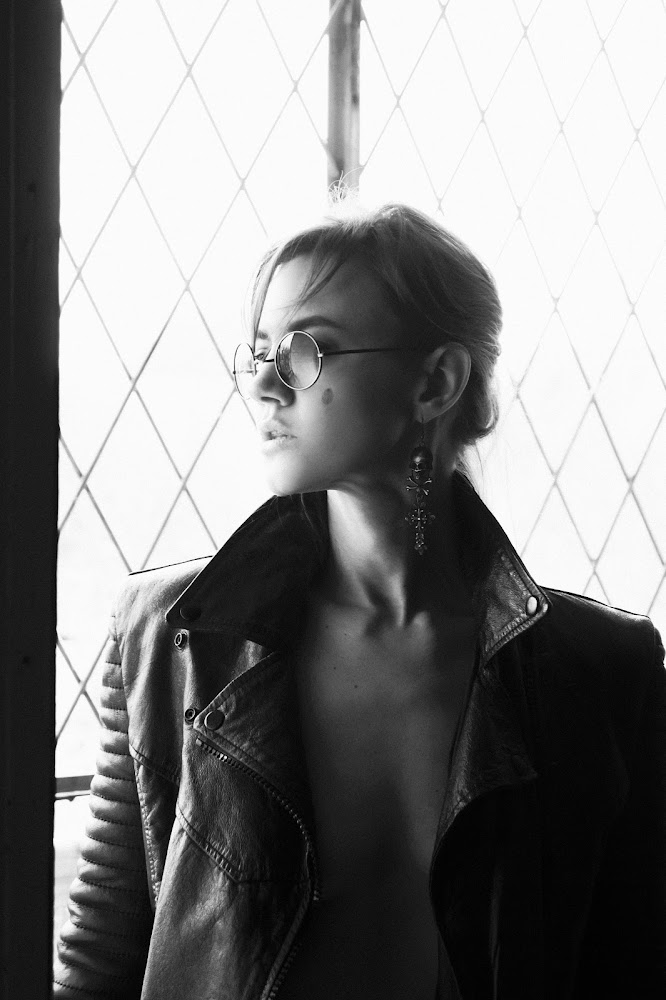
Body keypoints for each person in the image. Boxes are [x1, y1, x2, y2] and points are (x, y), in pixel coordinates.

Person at [54, 203, 665, 1000]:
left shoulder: (599, 671)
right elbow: (103, 957)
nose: (264, 385)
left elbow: (635, 958)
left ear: (435, 382)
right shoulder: (173, 636)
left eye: (306, 350)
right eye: (261, 352)